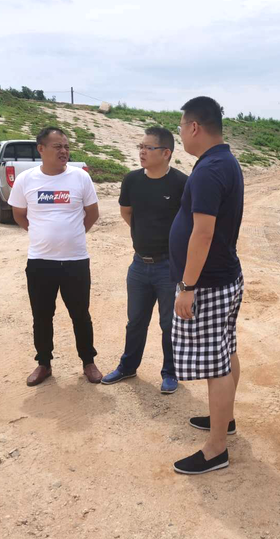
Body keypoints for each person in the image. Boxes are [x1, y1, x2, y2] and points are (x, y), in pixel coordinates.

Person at [170, 97, 244, 475]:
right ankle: (223, 420)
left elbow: (202, 232)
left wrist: (188, 286)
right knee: (226, 351)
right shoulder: (223, 161)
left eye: (182, 127)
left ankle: (216, 449)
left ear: (195, 127)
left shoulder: (209, 170)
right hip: (223, 276)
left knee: (216, 365)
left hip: (209, 283)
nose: (181, 133)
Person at [7, 127, 103, 386]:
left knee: (80, 314)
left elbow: (92, 213)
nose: (64, 151)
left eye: (66, 146)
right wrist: (41, 234)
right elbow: (19, 214)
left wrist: (73, 235)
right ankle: (44, 363)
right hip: (40, 261)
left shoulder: (80, 178)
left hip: (75, 261)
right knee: (41, 315)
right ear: (41, 149)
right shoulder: (26, 179)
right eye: (58, 146)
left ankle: (88, 361)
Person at [102, 127, 188, 393]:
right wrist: (142, 235)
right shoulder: (132, 180)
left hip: (168, 267)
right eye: (140, 146)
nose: (142, 152)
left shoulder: (181, 183)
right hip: (139, 264)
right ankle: (128, 367)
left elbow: (188, 224)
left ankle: (170, 372)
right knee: (135, 321)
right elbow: (126, 213)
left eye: (148, 148)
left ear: (166, 153)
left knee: (168, 324)